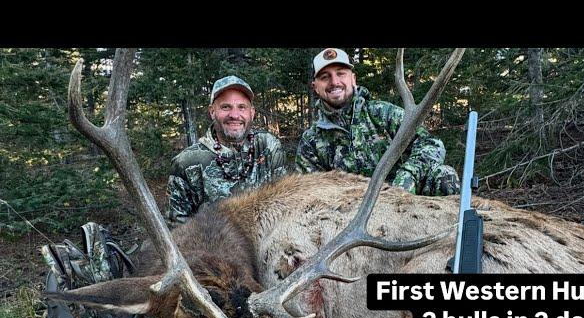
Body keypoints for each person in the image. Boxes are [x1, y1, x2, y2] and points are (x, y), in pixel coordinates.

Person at [296, 48, 460, 196]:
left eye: (340, 74)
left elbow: (431, 144)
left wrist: (408, 174)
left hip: (404, 201)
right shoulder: (311, 142)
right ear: (315, 87)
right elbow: (310, 194)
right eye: (325, 77)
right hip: (350, 213)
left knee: (444, 176)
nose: (334, 82)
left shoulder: (382, 113)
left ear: (353, 79)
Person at [167, 75, 286, 224]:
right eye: (225, 107)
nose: (234, 115)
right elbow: (178, 229)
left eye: (242, 107)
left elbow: (284, 203)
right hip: (215, 245)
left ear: (252, 112)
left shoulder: (269, 146)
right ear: (212, 112)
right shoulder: (187, 162)